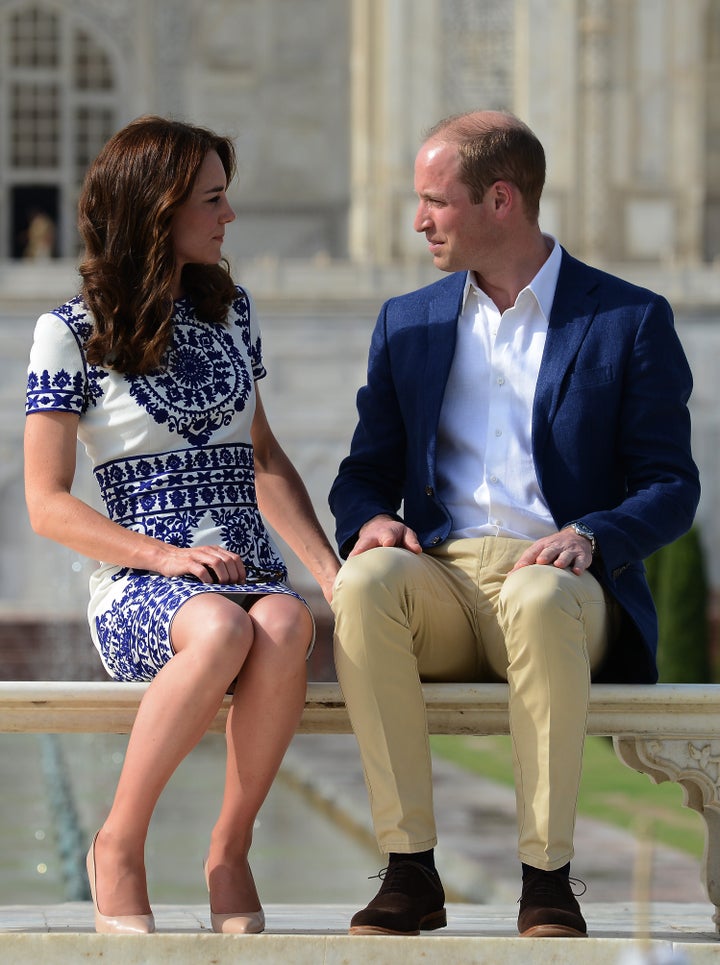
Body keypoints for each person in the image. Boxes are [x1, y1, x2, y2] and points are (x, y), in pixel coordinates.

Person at [329, 110, 700, 939]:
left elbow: (673, 485)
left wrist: (594, 534)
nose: (419, 220)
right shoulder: (409, 321)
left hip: (566, 588)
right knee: (363, 582)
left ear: (501, 200)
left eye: (434, 201)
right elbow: (362, 474)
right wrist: (369, 523)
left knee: (536, 595)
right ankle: (410, 870)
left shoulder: (627, 319)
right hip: (447, 584)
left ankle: (546, 879)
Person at [24, 116, 339, 936]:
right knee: (220, 629)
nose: (228, 217)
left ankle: (227, 852)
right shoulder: (68, 333)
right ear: (157, 209)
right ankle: (118, 844)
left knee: (283, 619)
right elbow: (46, 502)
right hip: (142, 584)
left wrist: (333, 572)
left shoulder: (234, 315)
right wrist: (165, 557)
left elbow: (265, 459)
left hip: (248, 575)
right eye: (213, 199)